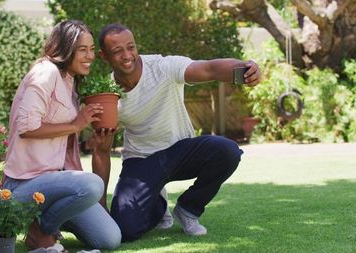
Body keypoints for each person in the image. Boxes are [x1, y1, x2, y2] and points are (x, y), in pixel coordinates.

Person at [97, 23, 261, 241]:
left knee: (227, 151)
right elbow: (102, 151)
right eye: (117, 51)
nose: (127, 55)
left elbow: (209, 68)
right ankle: (157, 202)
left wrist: (245, 68)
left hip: (179, 151)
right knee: (126, 229)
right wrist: (101, 207)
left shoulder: (163, 67)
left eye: (131, 47)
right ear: (104, 56)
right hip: (141, 160)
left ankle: (188, 209)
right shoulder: (108, 95)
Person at [2, 20, 121, 251]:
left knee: (110, 238)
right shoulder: (45, 72)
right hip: (24, 184)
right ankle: (41, 230)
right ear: (66, 48)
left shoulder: (69, 79)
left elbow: (58, 138)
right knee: (92, 185)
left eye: (92, 50)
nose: (90, 56)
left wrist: (89, 141)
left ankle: (48, 222)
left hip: (56, 183)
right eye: (82, 50)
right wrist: (76, 124)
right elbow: (26, 127)